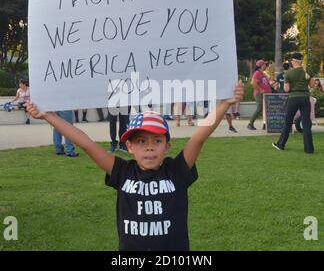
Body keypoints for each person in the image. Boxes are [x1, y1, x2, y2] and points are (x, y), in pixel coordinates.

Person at [25, 81, 244, 251]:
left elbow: (198, 138)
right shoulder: (122, 171)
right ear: (129, 146)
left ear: (167, 146)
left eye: (157, 141)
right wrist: (47, 115)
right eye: (141, 141)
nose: (149, 148)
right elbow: (87, 144)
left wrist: (224, 103)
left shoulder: (176, 171)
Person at [272, 52, 314, 154]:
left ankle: (281, 144)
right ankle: (309, 149)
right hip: (305, 97)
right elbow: (312, 85)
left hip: (293, 98)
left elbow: (286, 89)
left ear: (294, 61)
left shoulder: (288, 73)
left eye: (291, 60)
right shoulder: (308, 70)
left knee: (288, 122)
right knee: (306, 123)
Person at [247, 60, 273, 130]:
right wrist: (261, 89)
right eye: (265, 64)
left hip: (266, 94)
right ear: (261, 65)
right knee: (259, 108)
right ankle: (250, 123)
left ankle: (265, 124)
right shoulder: (257, 73)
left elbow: (265, 83)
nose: (266, 66)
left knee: (266, 109)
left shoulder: (263, 73)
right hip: (259, 94)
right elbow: (253, 82)